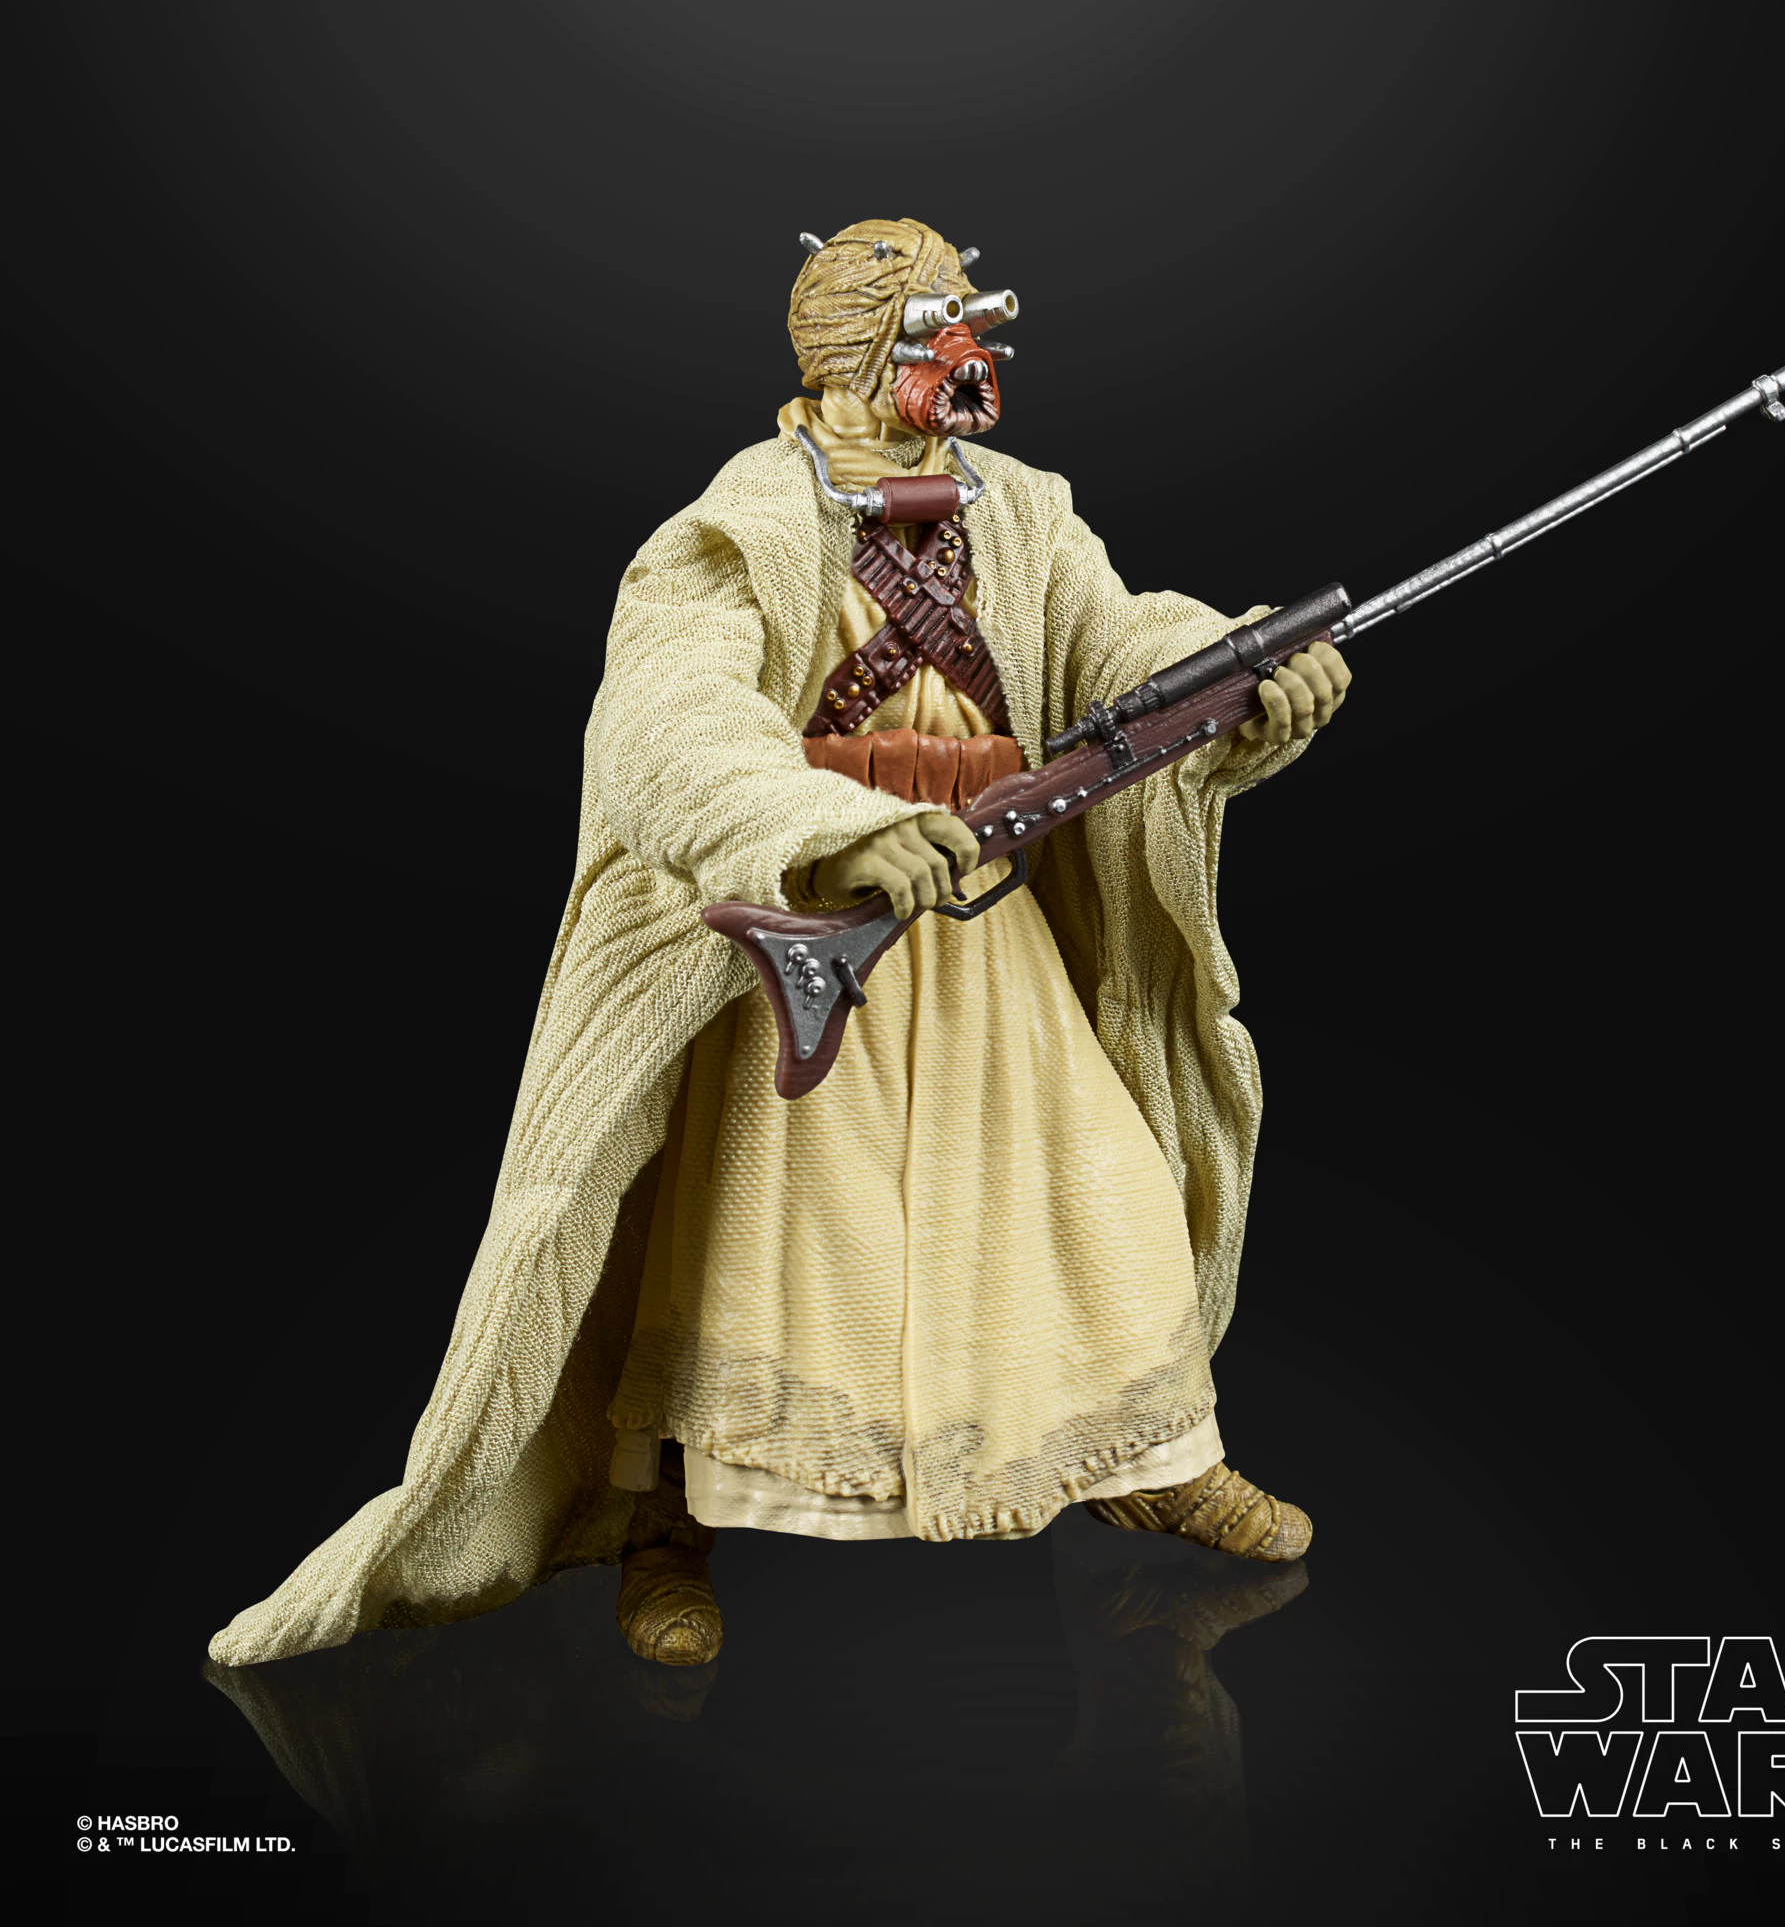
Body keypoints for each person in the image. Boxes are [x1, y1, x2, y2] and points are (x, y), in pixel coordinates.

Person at [207, 217, 1348, 1673]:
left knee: (1096, 1195)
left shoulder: (1019, 509)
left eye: (973, 323)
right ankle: (666, 1523)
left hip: (983, 925)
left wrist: (1232, 669)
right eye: (940, 327)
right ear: (861, 352)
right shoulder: (744, 519)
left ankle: (1155, 1458)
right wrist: (827, 828)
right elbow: (669, 719)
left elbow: (1107, 647)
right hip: (809, 924)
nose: (971, 353)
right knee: (756, 1244)